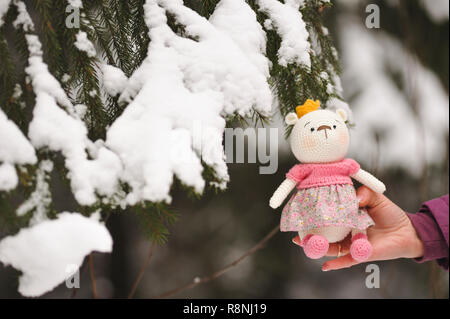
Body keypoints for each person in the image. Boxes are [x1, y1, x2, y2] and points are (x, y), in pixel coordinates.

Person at [292, 186, 449, 271]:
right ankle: (312, 239)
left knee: (358, 222)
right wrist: (421, 233)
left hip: (348, 219)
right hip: (324, 220)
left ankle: (359, 240)